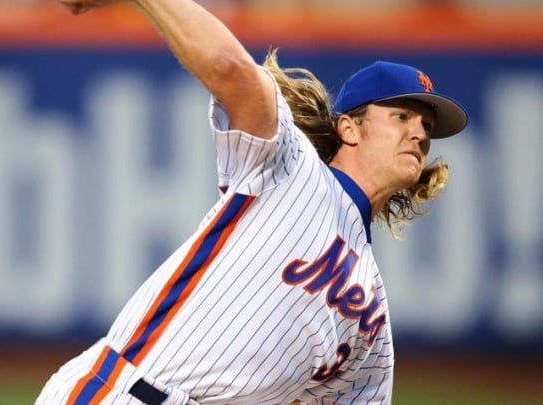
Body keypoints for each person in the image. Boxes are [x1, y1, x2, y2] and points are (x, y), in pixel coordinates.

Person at [37, 0, 468, 404]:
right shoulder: (289, 166)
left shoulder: (373, 312)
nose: (420, 133)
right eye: (401, 117)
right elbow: (231, 68)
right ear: (349, 130)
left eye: (426, 125)